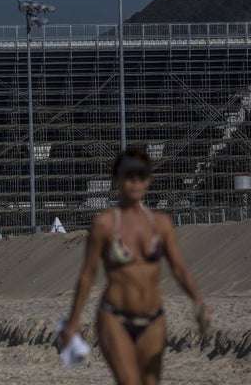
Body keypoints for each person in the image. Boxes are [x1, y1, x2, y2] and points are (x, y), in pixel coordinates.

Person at [60, 147, 211, 385]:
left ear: (148, 180)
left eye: (141, 176)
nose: (135, 182)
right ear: (117, 179)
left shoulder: (161, 224)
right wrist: (73, 321)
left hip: (153, 318)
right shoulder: (105, 224)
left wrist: (198, 300)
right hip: (115, 317)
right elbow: (87, 275)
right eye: (129, 176)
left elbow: (179, 268)